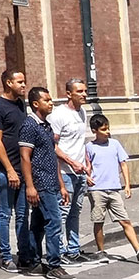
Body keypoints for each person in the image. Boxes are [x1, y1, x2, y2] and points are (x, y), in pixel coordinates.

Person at [18, 87, 74, 279]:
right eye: (47, 100)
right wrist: (30, 186)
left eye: (51, 100)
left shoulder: (47, 126)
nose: (51, 103)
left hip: (51, 181)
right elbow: (25, 157)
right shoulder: (29, 125)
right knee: (54, 222)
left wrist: (61, 185)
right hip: (40, 182)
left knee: (39, 223)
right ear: (35, 104)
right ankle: (54, 264)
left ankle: (34, 261)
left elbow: (52, 157)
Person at [86, 115, 139, 263]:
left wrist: (127, 184)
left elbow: (123, 164)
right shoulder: (90, 147)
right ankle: (101, 251)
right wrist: (86, 177)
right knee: (98, 221)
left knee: (125, 220)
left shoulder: (115, 144)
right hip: (97, 189)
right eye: (103, 129)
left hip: (114, 188)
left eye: (108, 128)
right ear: (94, 130)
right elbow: (87, 166)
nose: (107, 131)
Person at [0, 68, 34, 273]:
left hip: (22, 169)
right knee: (5, 213)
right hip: (5, 171)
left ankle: (24, 256)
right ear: (8, 83)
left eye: (24, 82)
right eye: (20, 82)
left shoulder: (20, 104)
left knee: (23, 214)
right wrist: (9, 170)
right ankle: (6, 257)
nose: (24, 85)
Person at [46, 78, 92, 261]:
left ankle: (73, 250)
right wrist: (71, 162)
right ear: (68, 94)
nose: (84, 95)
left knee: (75, 212)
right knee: (62, 214)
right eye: (79, 91)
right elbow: (52, 145)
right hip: (64, 173)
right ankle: (60, 252)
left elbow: (80, 142)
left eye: (85, 91)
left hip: (80, 173)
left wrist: (86, 163)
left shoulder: (83, 113)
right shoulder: (58, 115)